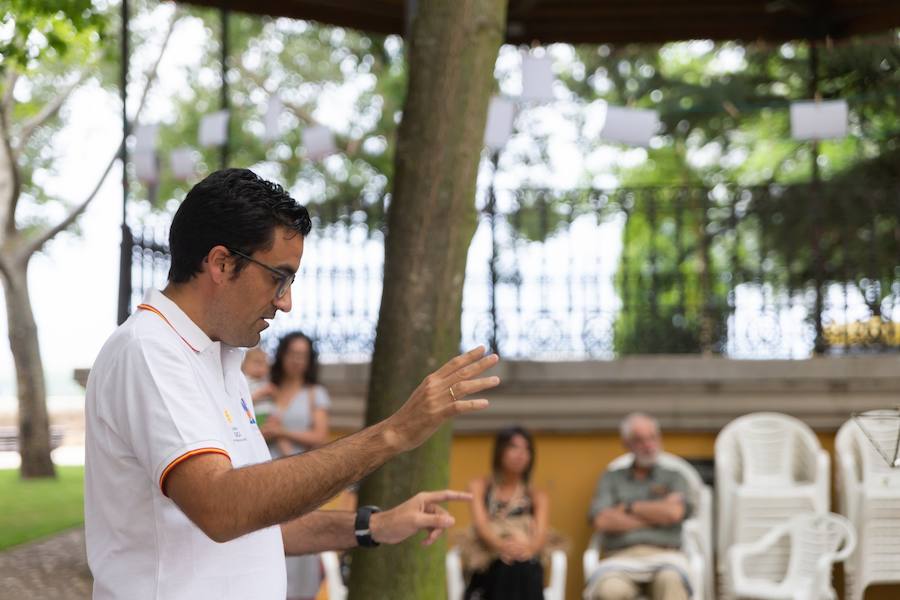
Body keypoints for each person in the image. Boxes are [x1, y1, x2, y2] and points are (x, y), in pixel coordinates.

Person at [84, 168, 500, 600]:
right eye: (278, 277)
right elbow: (222, 507)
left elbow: (259, 517)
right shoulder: (149, 351)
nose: (285, 302)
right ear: (222, 263)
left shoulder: (221, 358)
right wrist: (392, 434)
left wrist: (373, 525)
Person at [585, 413, 692, 600]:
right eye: (640, 440)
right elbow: (602, 520)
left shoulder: (675, 477)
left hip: (666, 557)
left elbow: (673, 513)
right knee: (609, 591)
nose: (648, 445)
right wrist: (657, 516)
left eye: (652, 437)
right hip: (620, 559)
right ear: (626, 444)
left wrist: (628, 507)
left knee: (672, 583)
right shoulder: (611, 478)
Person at [263, 332, 331, 599]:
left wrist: (283, 433)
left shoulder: (315, 393)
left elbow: (320, 436)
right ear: (282, 355)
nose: (297, 361)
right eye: (293, 354)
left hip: (298, 477)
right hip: (263, 473)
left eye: (303, 355)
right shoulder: (268, 387)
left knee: (298, 538)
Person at [462, 426, 549, 600]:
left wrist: (526, 550)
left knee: (523, 567)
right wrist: (502, 547)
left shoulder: (537, 495)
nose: (520, 454)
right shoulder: (480, 487)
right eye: (514, 447)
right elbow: (481, 526)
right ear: (500, 451)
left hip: (525, 560)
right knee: (506, 568)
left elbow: (540, 536)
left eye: (526, 449)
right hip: (489, 561)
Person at [241, 345, 276, 423]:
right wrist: (260, 394)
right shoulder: (245, 381)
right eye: (256, 363)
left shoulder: (266, 380)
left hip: (269, 414)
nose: (260, 367)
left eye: (263, 363)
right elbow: (243, 402)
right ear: (244, 365)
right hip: (254, 415)